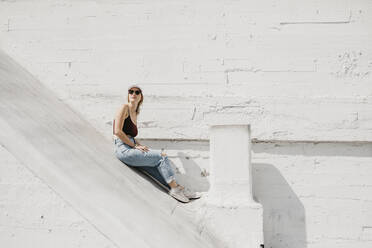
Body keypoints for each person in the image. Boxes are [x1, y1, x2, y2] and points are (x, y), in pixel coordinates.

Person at [113, 84, 201, 203]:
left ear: (141, 97)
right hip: (123, 149)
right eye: (131, 91)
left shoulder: (135, 112)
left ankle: (178, 189)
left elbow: (130, 135)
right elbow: (117, 131)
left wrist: (138, 144)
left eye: (137, 92)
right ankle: (175, 189)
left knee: (156, 166)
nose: (133, 94)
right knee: (161, 156)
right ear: (128, 95)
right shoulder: (124, 108)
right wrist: (134, 146)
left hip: (131, 146)